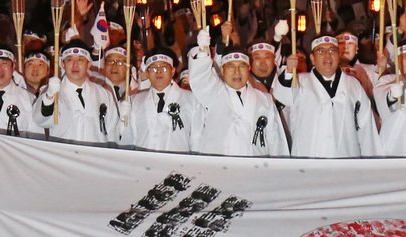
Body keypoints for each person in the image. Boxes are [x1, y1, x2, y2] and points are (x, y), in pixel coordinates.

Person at [186, 28, 289, 156]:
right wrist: (202, 51)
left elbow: (276, 141)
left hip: (254, 168)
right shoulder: (213, 92)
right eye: (230, 67)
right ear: (222, 70)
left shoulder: (265, 100)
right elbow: (200, 79)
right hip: (218, 168)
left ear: (249, 68)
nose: (236, 72)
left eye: (241, 66)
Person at [273, 35, 377, 157]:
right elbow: (284, 97)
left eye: (332, 51)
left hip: (346, 159)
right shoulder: (300, 82)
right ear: (312, 58)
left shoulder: (353, 85)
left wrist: (370, 161)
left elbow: (366, 127)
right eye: (321, 51)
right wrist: (290, 71)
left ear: (339, 55)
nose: (327, 56)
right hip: (309, 161)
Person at [35, 41, 120, 143]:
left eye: (80, 60)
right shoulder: (52, 92)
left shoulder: (103, 94)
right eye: (69, 60)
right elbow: (41, 120)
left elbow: (112, 132)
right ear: (62, 64)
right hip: (63, 155)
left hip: (95, 155)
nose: (75, 65)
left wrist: (123, 120)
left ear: (88, 64)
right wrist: (49, 96)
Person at [123, 48, 200, 152]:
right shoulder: (135, 101)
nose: (158, 72)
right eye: (153, 68)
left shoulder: (191, 100)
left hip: (177, 165)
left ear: (172, 71)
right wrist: (122, 121)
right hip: (143, 164)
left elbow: (197, 140)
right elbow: (127, 140)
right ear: (147, 72)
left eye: (164, 68)